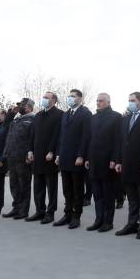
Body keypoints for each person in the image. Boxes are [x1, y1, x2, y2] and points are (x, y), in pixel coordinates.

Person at [115, 92, 140, 238]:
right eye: (129, 100)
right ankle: (132, 224)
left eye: (133, 100)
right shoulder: (126, 119)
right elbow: (120, 141)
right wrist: (119, 160)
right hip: (126, 164)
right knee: (132, 197)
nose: (130, 103)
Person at [54, 89, 92, 229]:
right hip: (64, 156)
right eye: (69, 96)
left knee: (77, 189)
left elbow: (86, 136)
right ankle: (67, 214)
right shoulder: (65, 114)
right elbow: (61, 136)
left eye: (73, 96)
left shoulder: (86, 114)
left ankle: (76, 216)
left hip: (77, 158)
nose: (70, 98)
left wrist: (81, 155)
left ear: (80, 99)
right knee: (67, 189)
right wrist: (58, 154)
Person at [85, 93, 122, 232]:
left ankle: (108, 222)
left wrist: (115, 159)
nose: (98, 103)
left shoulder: (116, 117)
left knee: (108, 194)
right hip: (94, 161)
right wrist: (87, 157)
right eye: (97, 101)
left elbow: (118, 140)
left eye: (101, 101)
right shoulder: (93, 118)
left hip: (108, 162)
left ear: (108, 102)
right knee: (97, 194)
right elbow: (90, 140)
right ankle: (98, 219)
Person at [26, 92, 63, 224]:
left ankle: (50, 212)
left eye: (47, 98)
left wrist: (52, 151)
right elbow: (32, 134)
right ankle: (39, 211)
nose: (44, 99)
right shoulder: (39, 115)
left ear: (54, 100)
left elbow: (58, 135)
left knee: (51, 187)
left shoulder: (59, 114)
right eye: (44, 97)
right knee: (38, 186)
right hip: (37, 155)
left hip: (49, 156)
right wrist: (30, 150)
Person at [1, 98, 35, 220]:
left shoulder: (33, 119)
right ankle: (16, 208)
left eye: (22, 105)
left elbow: (33, 138)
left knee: (23, 184)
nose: (19, 107)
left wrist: (30, 153)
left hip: (23, 157)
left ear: (29, 107)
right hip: (11, 155)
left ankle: (23, 210)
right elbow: (5, 126)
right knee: (14, 184)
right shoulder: (17, 119)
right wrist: (11, 113)